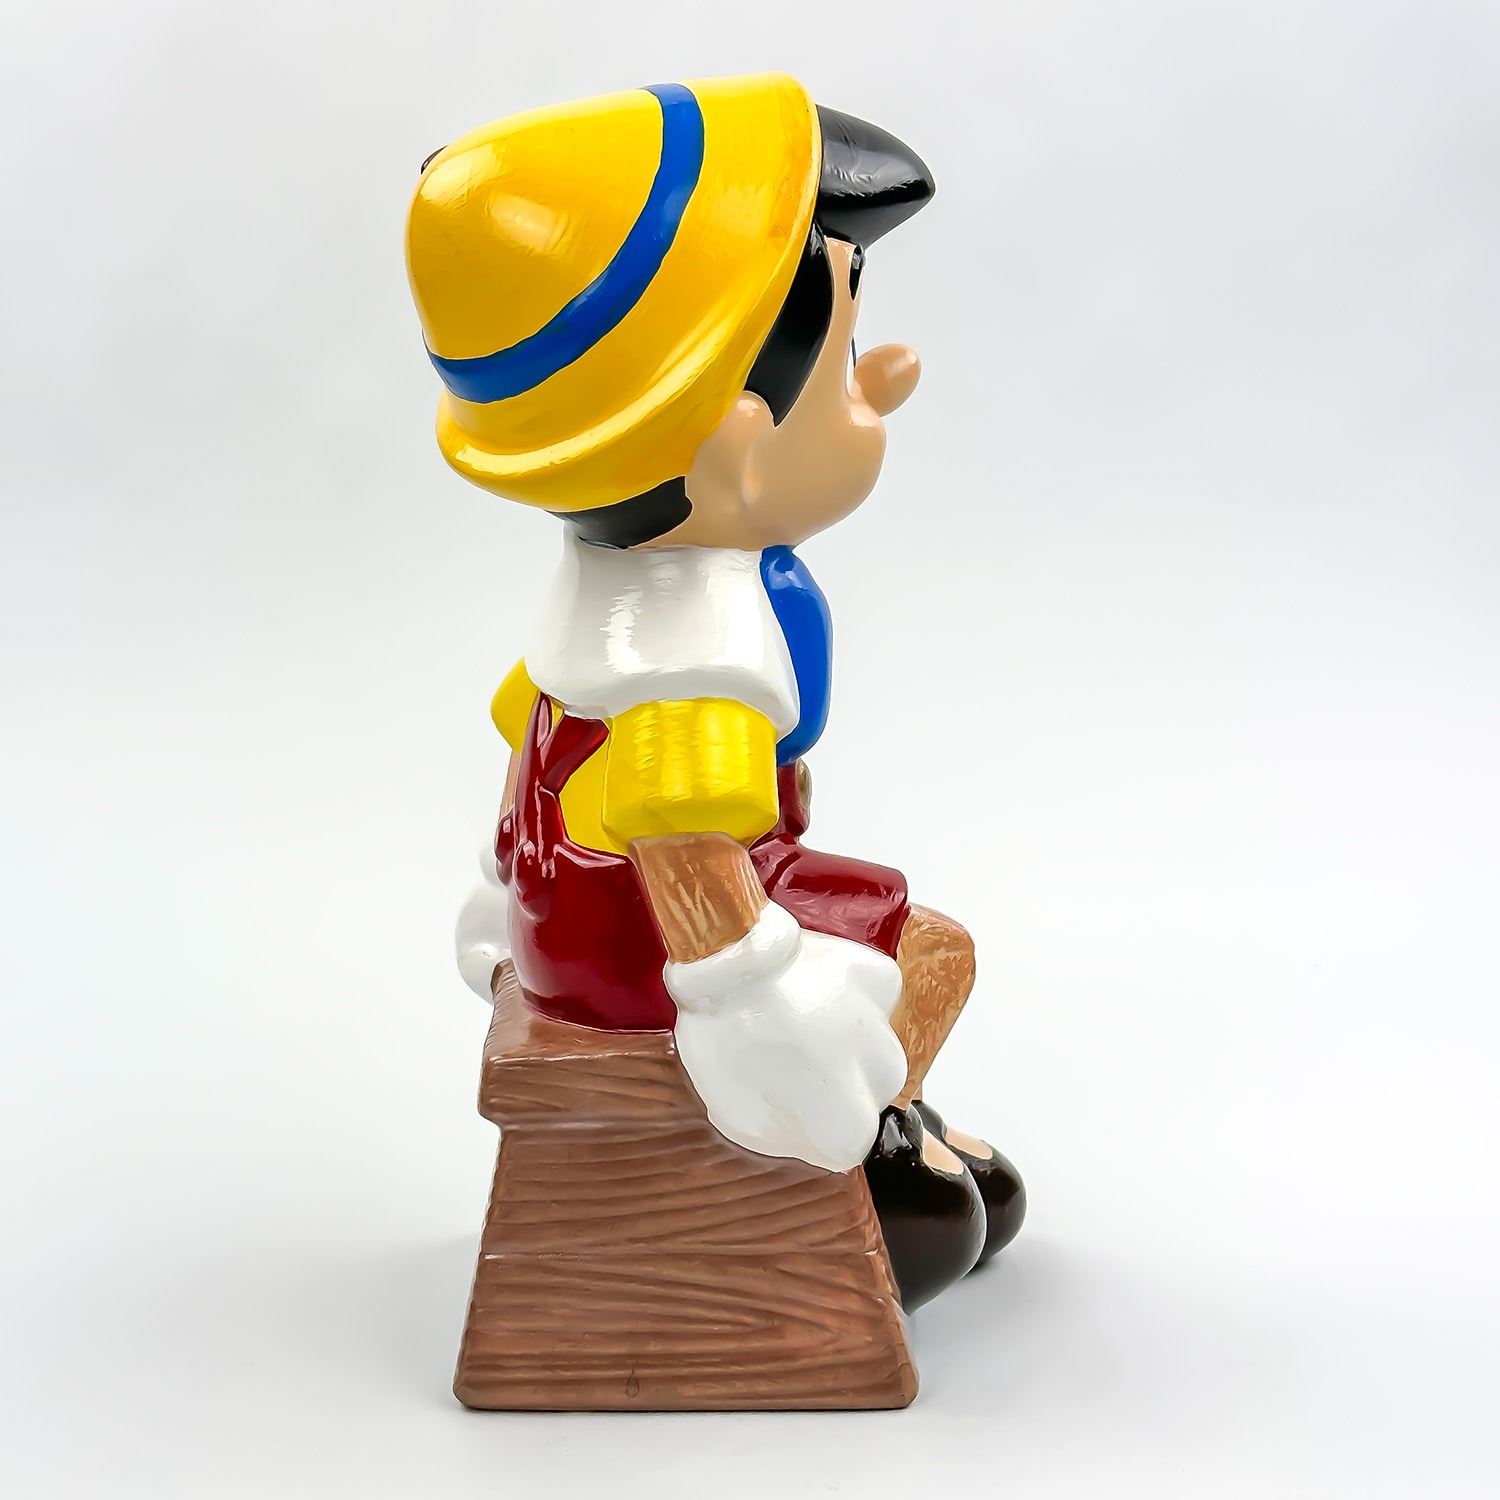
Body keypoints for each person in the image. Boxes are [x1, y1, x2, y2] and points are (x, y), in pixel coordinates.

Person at [410, 74, 1022, 1308]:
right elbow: (689, 860)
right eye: (848, 370)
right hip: (644, 950)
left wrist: (507, 893)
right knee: (935, 949)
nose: (886, 377)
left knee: (877, 920)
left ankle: (894, 1119)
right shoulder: (691, 666)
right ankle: (870, 1168)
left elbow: (527, 760)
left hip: (583, 916)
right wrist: (762, 1010)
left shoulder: (595, 613)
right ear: (739, 450)